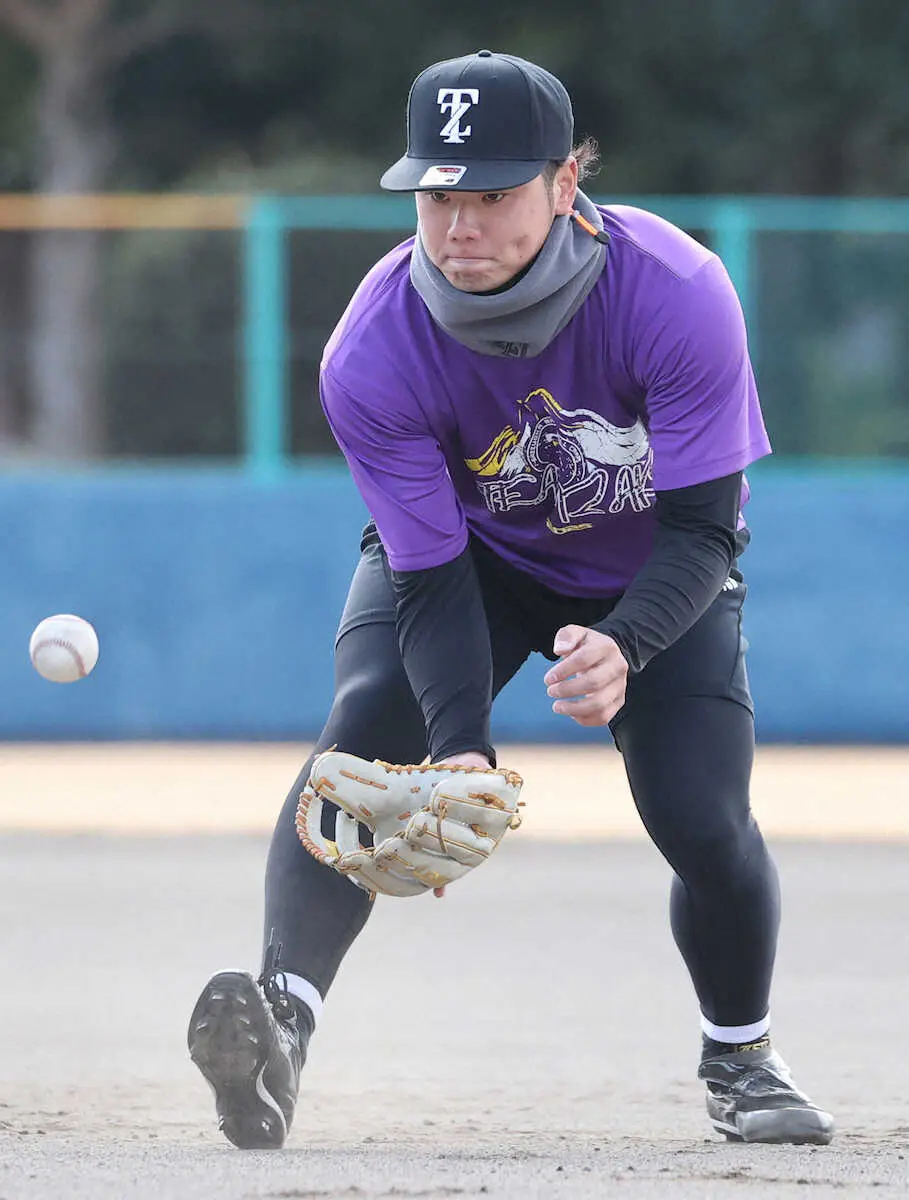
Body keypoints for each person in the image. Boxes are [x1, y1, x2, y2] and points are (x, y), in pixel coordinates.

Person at [187, 49, 834, 1149]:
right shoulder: (373, 344)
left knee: (703, 817)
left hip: (649, 570)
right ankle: (281, 1028)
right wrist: (460, 748)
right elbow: (430, 569)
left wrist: (626, 644)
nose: (459, 226)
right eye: (439, 196)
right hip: (470, 564)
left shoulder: (675, 292)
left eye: (492, 193)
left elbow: (702, 529)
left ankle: (742, 1057)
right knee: (363, 740)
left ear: (566, 185)